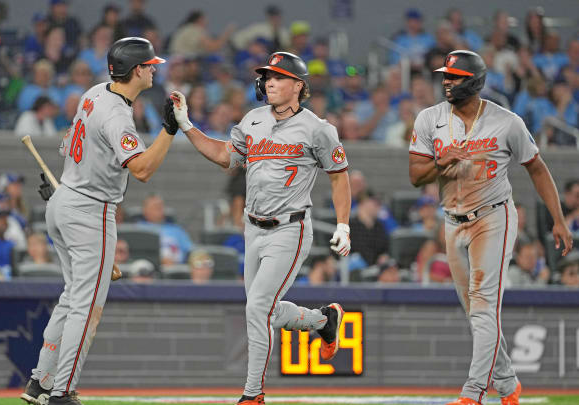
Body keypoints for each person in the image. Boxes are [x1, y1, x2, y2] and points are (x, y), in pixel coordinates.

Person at [169, 51, 351, 405]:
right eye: (267, 76)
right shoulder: (252, 119)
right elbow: (226, 157)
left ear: (298, 85)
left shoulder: (318, 128)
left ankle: (253, 394)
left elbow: (340, 176)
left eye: (279, 76)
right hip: (252, 227)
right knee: (261, 307)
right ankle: (323, 320)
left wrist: (343, 224)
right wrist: (187, 125)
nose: (270, 81)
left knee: (257, 309)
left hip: (290, 228)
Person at [408, 50, 573, 405]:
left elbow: (537, 168)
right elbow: (415, 177)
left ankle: (472, 394)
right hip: (452, 221)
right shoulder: (429, 118)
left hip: (493, 217)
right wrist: (441, 162)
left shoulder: (507, 122)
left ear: (474, 81)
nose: (447, 82)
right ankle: (508, 382)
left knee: (483, 308)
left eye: (454, 76)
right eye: (445, 76)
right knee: (475, 313)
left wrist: (558, 219)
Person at [20, 37, 176, 405]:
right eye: (149, 64)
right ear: (136, 70)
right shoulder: (118, 113)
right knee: (86, 306)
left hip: (65, 199)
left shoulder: (94, 92)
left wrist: (71, 182)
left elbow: (71, 144)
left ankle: (41, 381)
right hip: (89, 209)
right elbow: (142, 170)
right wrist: (168, 131)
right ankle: (62, 391)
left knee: (72, 298)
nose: (154, 69)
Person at [137, 194, 193, 266]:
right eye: (155, 206)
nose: (159, 209)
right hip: (148, 269)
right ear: (145, 210)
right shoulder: (137, 229)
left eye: (160, 206)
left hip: (177, 270)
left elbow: (191, 250)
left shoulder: (177, 230)